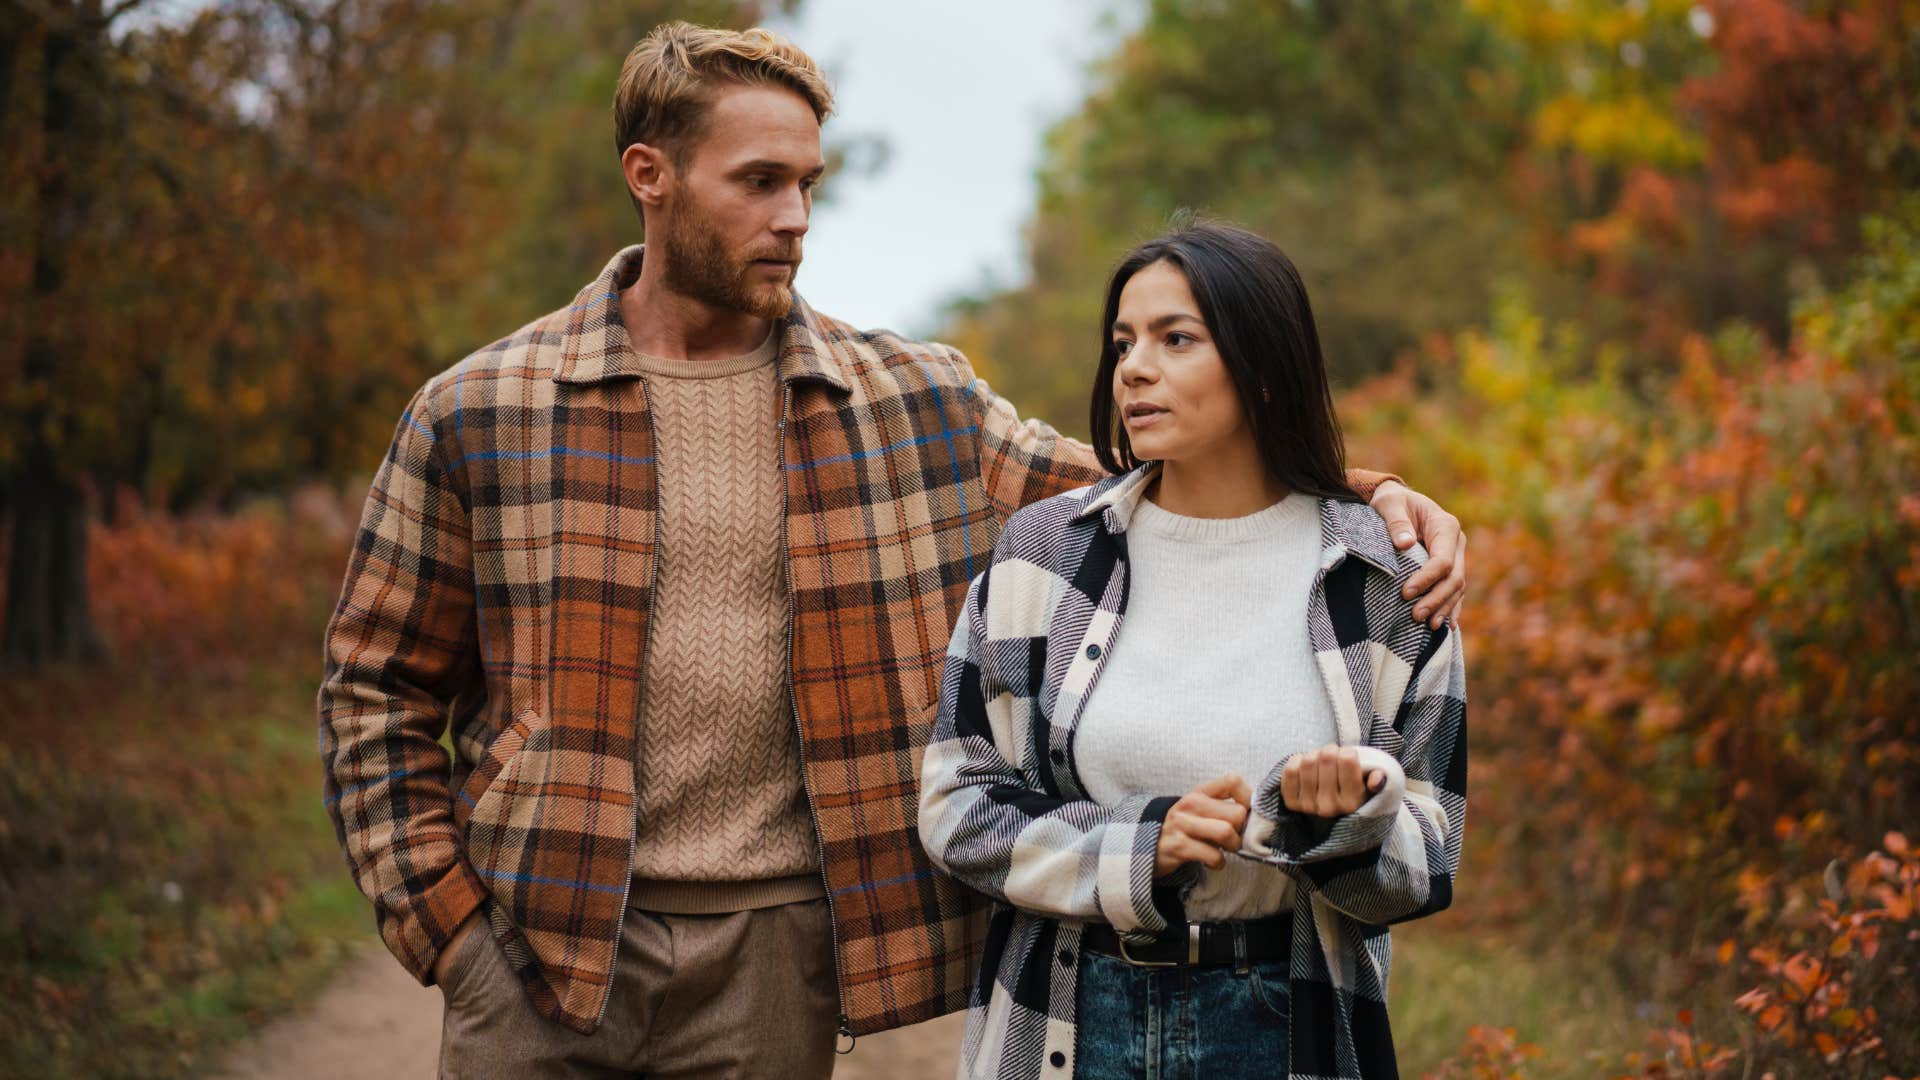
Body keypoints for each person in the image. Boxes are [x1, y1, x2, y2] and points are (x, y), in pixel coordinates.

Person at [318, 21, 1467, 1079]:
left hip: (774, 959)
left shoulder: (913, 400)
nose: (797, 217)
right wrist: (453, 931)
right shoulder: (483, 410)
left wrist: (1364, 496)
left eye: (808, 183)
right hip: (535, 944)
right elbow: (375, 686)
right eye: (759, 182)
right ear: (650, 178)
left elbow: (1153, 489)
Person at [918, 219, 1467, 1080]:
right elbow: (958, 807)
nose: (1134, 367)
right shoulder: (1044, 558)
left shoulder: (1384, 579)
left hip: (1289, 1023)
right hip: (1065, 1015)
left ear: (1264, 364)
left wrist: (1340, 823)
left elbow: (1430, 863)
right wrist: (1142, 847)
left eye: (1177, 339)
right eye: (1125, 342)